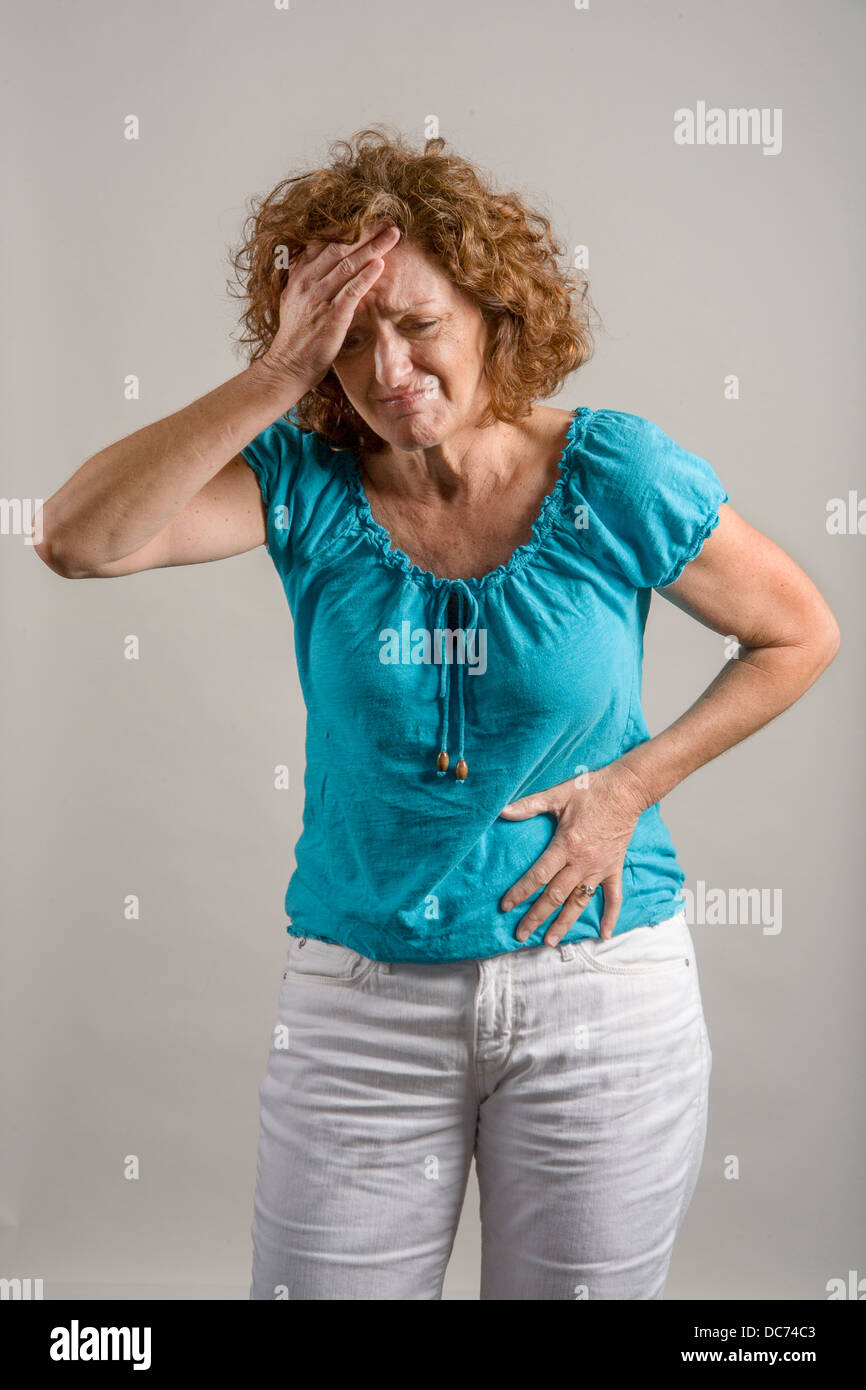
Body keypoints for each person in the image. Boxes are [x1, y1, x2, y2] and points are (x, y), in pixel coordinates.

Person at [34, 128, 840, 1300]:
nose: (388, 365)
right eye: (349, 338)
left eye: (417, 324)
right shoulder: (301, 485)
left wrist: (628, 786)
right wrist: (270, 377)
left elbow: (797, 629)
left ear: (492, 317)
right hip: (362, 1001)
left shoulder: (610, 472)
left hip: (600, 993)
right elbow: (73, 540)